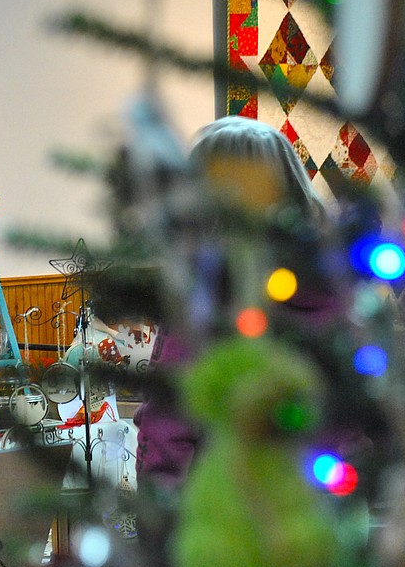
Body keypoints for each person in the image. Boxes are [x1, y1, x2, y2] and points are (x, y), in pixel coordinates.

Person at [134, 115, 331, 495]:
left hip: (222, 523)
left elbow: (169, 433)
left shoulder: (205, 307)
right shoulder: (329, 290)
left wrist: (159, 520)